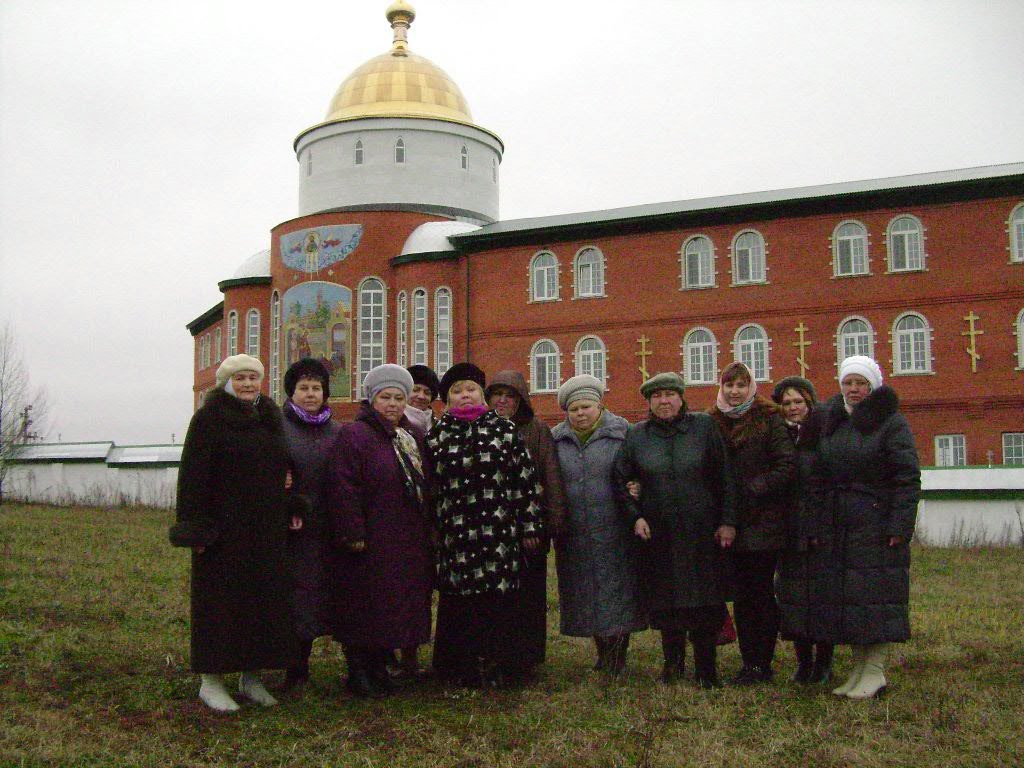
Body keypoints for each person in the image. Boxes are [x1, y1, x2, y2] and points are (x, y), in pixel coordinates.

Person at [169, 354, 298, 712]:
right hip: (222, 532)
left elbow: (282, 467)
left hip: (264, 530)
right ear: (226, 382)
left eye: (253, 378)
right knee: (220, 604)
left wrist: (291, 502)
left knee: (259, 602)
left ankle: (251, 676)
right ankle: (211, 681)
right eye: (240, 378)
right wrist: (195, 527)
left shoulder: (270, 418)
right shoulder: (209, 420)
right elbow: (193, 476)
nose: (247, 384)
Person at [799, 355, 920, 700]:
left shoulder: (891, 423)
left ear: (873, 386)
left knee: (875, 598)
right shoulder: (833, 420)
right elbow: (819, 471)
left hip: (877, 525)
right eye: (848, 383)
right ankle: (858, 669)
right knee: (849, 600)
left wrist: (900, 524)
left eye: (861, 383)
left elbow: (907, 477)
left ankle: (875, 670)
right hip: (839, 525)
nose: (853, 390)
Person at [426, 363, 544, 686]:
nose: (465, 395)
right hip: (457, 535)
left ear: (481, 393)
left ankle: (501, 666)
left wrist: (530, 525)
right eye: (457, 391)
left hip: (498, 535)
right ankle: (459, 669)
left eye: (471, 389)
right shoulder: (437, 436)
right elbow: (431, 489)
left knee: (498, 602)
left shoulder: (504, 431)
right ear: (447, 399)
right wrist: (433, 529)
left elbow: (526, 481)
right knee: (460, 603)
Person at [615, 372, 735, 688]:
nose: (664, 401)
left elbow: (725, 476)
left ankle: (707, 669)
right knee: (666, 603)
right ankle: (673, 664)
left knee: (705, 603)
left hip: (701, 532)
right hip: (659, 534)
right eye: (657, 396)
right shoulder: (637, 435)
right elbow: (620, 481)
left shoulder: (704, 428)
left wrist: (727, 521)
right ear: (649, 402)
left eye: (669, 394)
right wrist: (635, 516)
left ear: (681, 398)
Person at [326, 364, 433, 697]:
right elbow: (343, 487)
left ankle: (380, 669)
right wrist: (352, 532)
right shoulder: (354, 435)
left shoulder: (409, 436)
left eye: (398, 398)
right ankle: (359, 671)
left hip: (402, 538)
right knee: (363, 606)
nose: (393, 404)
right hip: (367, 539)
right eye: (385, 397)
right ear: (372, 399)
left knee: (389, 608)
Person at [708, 361, 796, 685]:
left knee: (760, 591)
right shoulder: (712, 421)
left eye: (741, 386)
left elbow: (787, 465)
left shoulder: (769, 418)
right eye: (729, 385)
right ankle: (749, 662)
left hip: (763, 521)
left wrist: (755, 489)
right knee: (742, 595)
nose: (734, 392)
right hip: (728, 523)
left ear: (751, 387)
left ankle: (763, 661)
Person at [552, 374, 646, 675]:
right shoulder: (556, 440)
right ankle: (602, 651)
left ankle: (618, 653)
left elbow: (640, 469)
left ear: (600, 406)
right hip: (576, 531)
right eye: (574, 409)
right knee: (586, 592)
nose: (580, 413)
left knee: (616, 590)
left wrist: (638, 487)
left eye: (586, 407)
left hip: (615, 528)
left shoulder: (623, 434)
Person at [485, 370, 567, 677]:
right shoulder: (481, 430)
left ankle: (527, 657)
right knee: (497, 600)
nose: (503, 400)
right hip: (493, 534)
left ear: (521, 400)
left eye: (511, 395)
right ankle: (496, 656)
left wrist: (551, 523)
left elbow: (551, 477)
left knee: (529, 598)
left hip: (529, 532)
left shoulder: (536, 430)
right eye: (497, 394)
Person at [279, 358, 342, 691]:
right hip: (295, 528)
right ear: (291, 392)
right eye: (303, 388)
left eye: (316, 388)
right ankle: (295, 667)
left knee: (327, 594)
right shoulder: (278, 427)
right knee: (297, 597)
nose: (310, 394)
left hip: (329, 527)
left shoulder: (337, 430)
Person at [771, 376, 835, 684]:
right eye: (786, 403)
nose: (793, 408)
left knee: (822, 596)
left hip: (820, 529)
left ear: (809, 402)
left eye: (798, 402)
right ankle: (803, 660)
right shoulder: (779, 437)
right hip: (789, 530)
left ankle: (824, 661)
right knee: (794, 596)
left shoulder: (825, 435)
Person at [405, 364, 440, 434]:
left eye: (427, 393)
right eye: (415, 390)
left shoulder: (439, 427)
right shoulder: (393, 423)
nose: (421, 396)